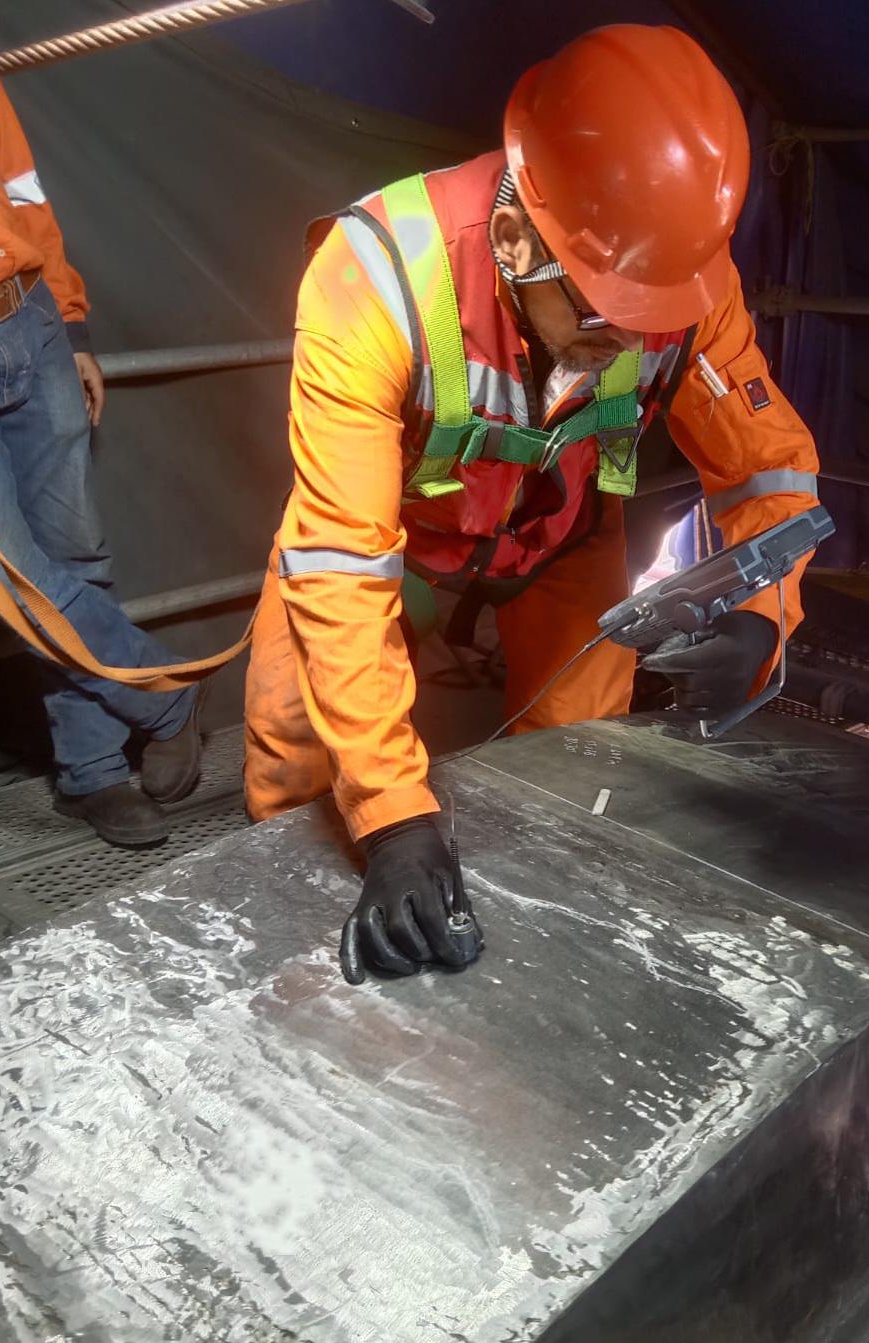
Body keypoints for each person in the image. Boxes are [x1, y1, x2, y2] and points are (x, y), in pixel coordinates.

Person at [244, 24, 821, 982]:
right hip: (395, 545)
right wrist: (392, 816)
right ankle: (279, 976)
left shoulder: (682, 284)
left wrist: (764, 615)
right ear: (514, 239)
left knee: (579, 772)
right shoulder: (374, 277)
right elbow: (341, 560)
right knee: (298, 761)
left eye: (650, 317)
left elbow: (771, 472)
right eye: (602, 313)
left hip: (562, 539)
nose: (629, 340)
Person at [0, 16, 201, 847]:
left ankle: (92, 772)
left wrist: (69, 325)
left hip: (30, 320)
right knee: (9, 576)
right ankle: (164, 692)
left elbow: (23, 189)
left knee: (75, 557)